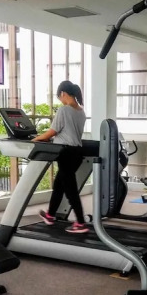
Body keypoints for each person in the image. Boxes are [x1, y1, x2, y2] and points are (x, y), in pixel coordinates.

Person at [32, 80, 89, 234]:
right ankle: (50, 215)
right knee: (59, 185)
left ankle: (81, 223)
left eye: (59, 97)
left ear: (63, 93)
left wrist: (36, 139)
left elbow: (52, 131)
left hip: (66, 153)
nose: (61, 101)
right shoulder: (81, 112)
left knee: (70, 190)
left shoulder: (64, 110)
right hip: (76, 153)